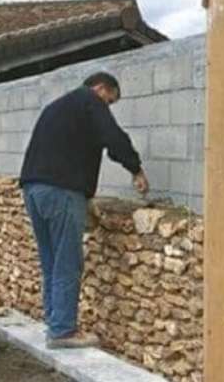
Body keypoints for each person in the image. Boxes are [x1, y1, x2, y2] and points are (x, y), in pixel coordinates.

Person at [19, 72, 149, 349]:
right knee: (68, 261)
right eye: (110, 101)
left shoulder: (57, 106)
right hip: (61, 191)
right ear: (101, 88)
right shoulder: (89, 101)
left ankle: (54, 321)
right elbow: (114, 138)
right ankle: (63, 331)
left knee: (51, 261)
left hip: (33, 189)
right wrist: (135, 168)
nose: (108, 107)